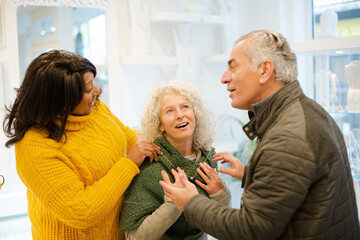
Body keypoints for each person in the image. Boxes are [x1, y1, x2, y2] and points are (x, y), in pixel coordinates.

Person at [159, 30, 360, 239]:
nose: (223, 78)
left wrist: (191, 202)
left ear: (264, 70)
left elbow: (251, 230)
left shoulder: (287, 138)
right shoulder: (306, 112)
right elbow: (296, 188)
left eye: (233, 66)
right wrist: (251, 175)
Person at [2, 50, 162, 240]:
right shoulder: (34, 147)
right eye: (87, 89)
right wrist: (129, 164)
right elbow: (81, 211)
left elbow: (128, 137)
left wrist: (169, 138)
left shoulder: (94, 109)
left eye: (92, 83)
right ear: (61, 100)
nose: (96, 91)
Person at [120, 81, 231, 240]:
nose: (180, 115)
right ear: (160, 125)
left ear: (195, 114)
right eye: (169, 111)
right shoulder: (150, 167)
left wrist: (221, 194)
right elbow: (134, 237)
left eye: (185, 107)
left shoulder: (208, 158)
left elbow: (223, 224)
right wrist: (173, 203)